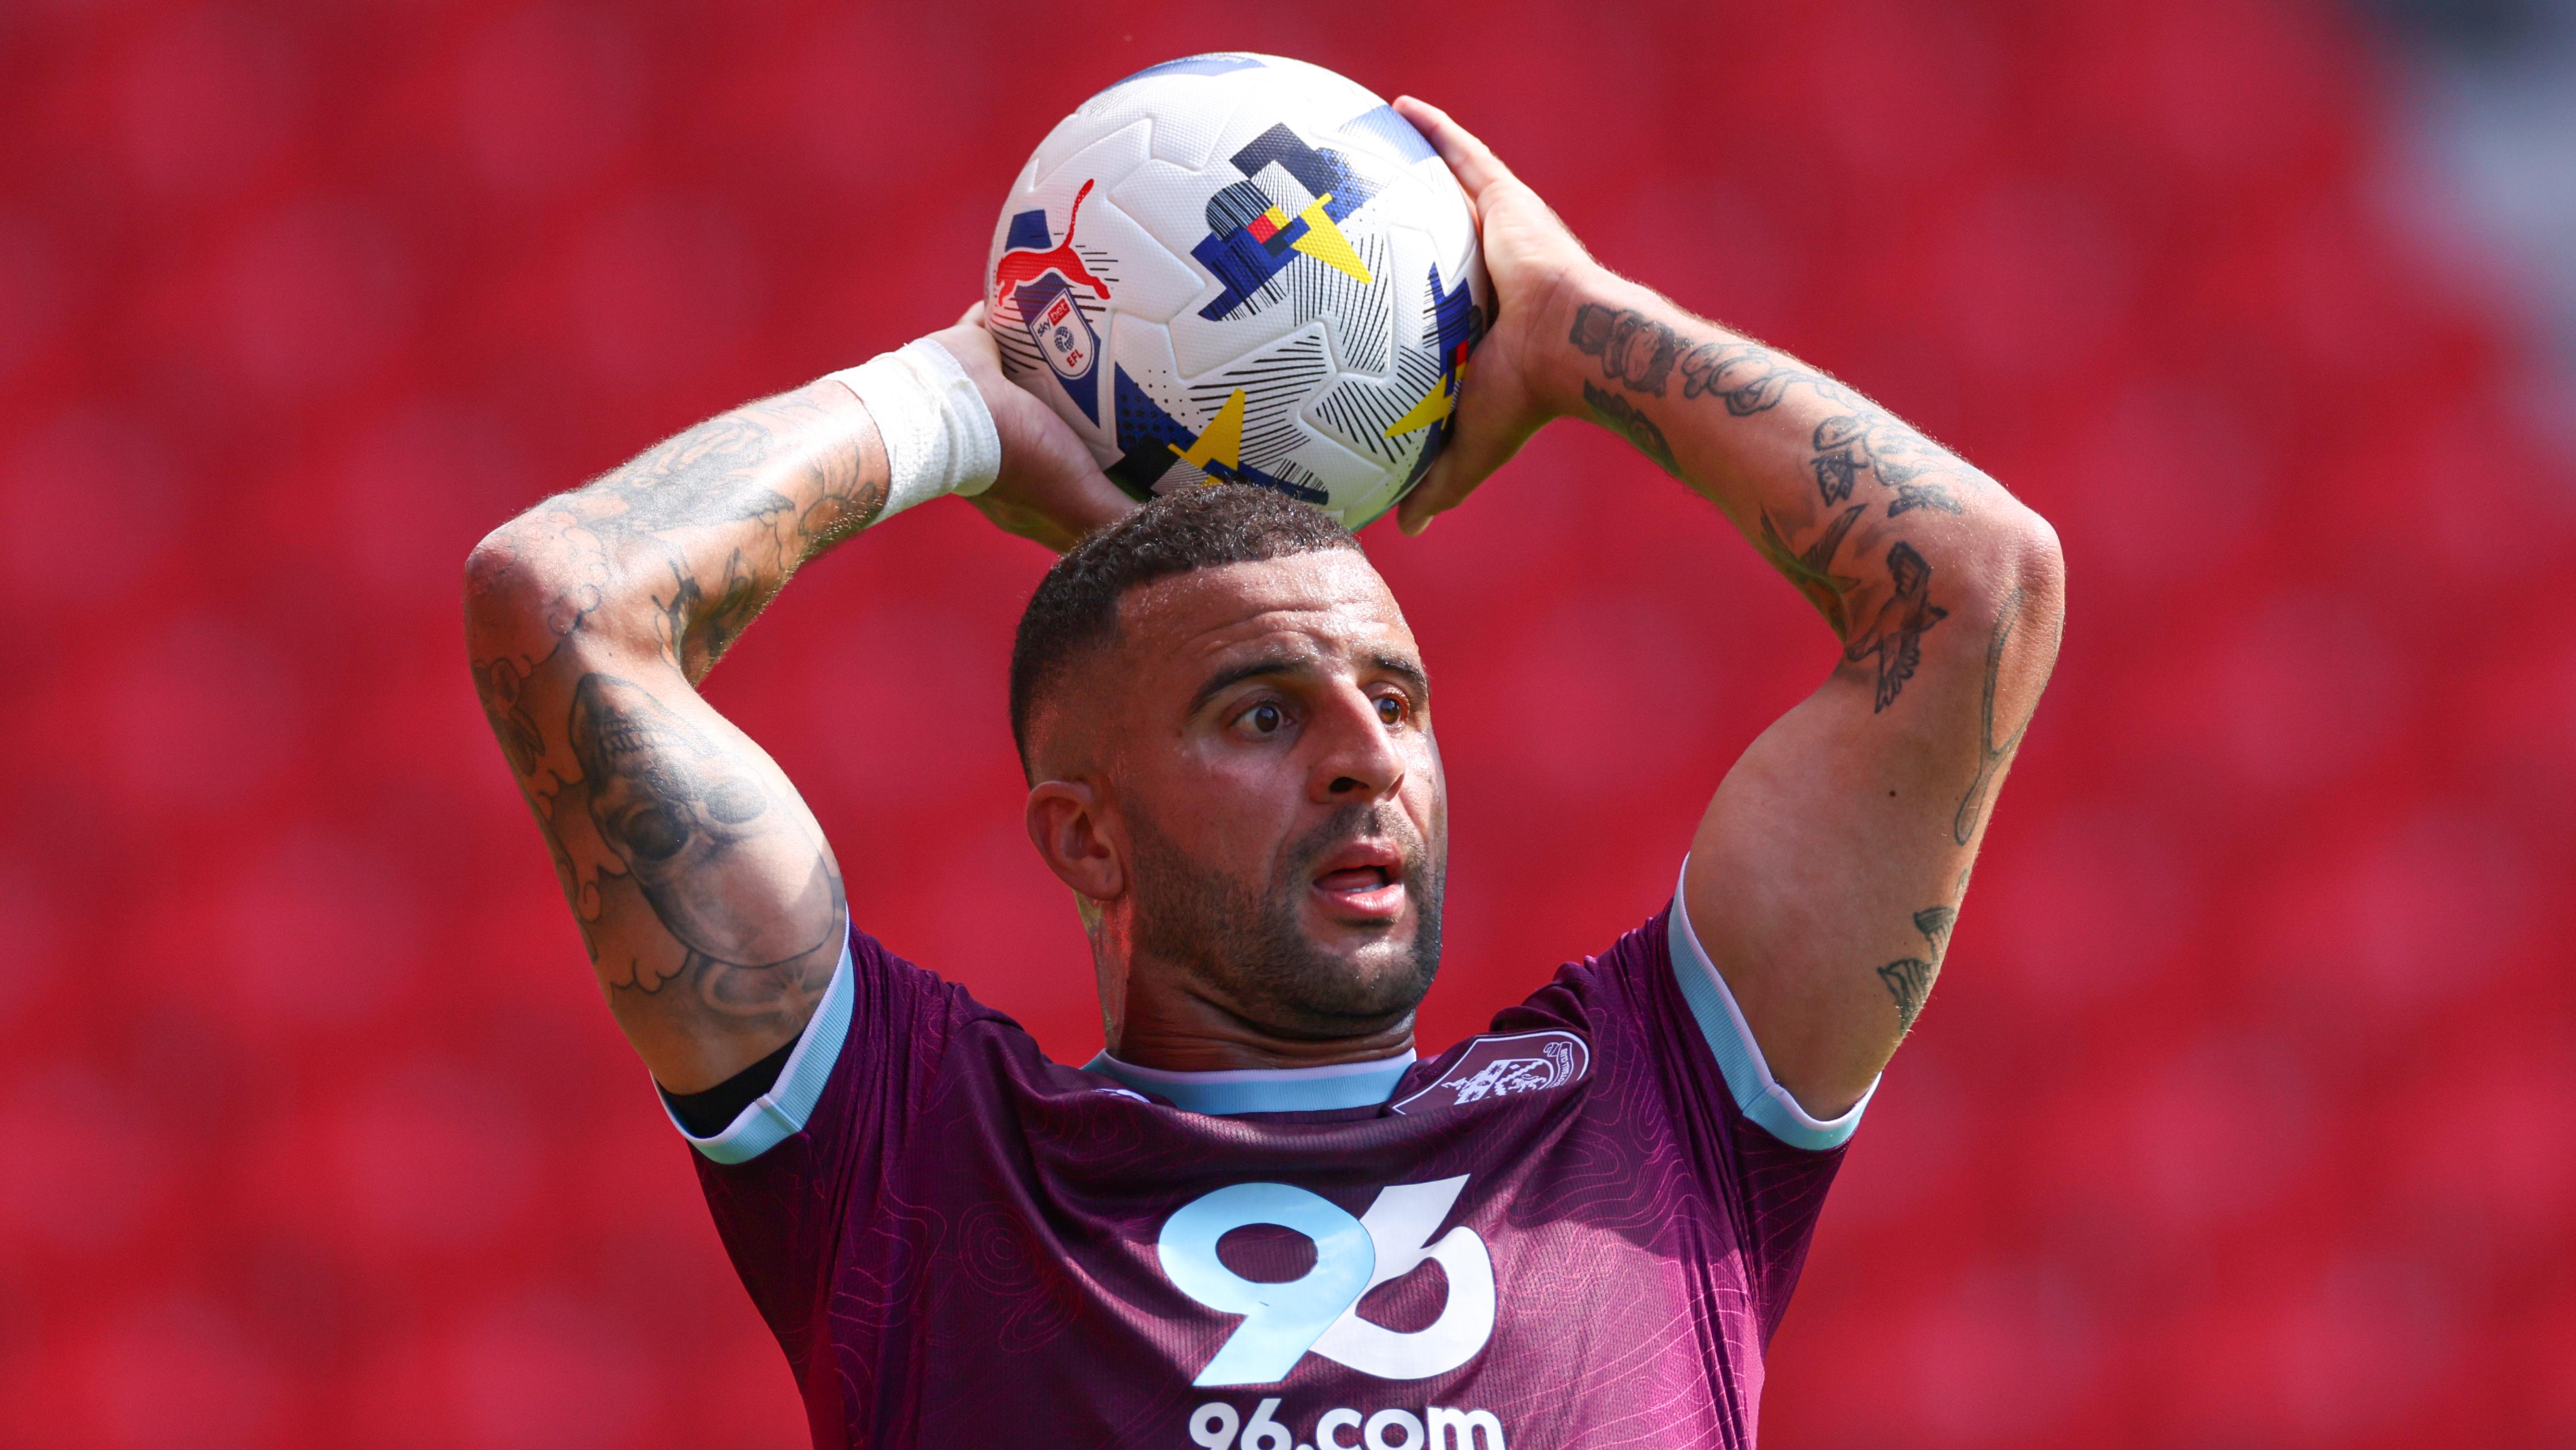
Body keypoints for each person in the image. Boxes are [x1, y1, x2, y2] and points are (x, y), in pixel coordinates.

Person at [463, 96, 2063, 1449]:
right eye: (1261, 714)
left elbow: (1982, 582)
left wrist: (1575, 326)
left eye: (1396, 697)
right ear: (1086, 841)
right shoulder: (919, 1160)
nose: (1369, 756)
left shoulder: (1664, 1109)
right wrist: (946, 396)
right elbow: (563, 608)